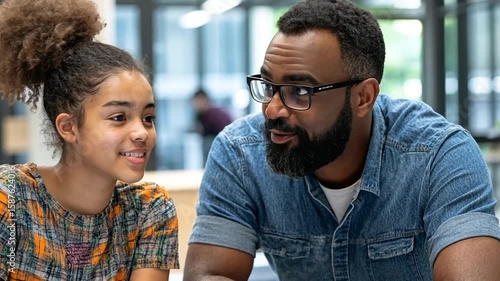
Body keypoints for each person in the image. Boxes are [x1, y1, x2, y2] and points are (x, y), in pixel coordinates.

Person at [183, 0, 500, 280]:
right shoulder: (239, 154)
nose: (272, 109)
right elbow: (211, 273)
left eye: (299, 91)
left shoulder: (439, 155)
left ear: (363, 97)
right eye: (267, 85)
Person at [0, 0, 179, 280]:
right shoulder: (8, 198)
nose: (142, 132)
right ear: (69, 127)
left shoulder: (149, 208)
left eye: (148, 117)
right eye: (119, 117)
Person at [191, 89, 233, 165]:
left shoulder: (212, 113)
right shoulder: (203, 114)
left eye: (197, 101)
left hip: (224, 147)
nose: (195, 104)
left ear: (204, 100)